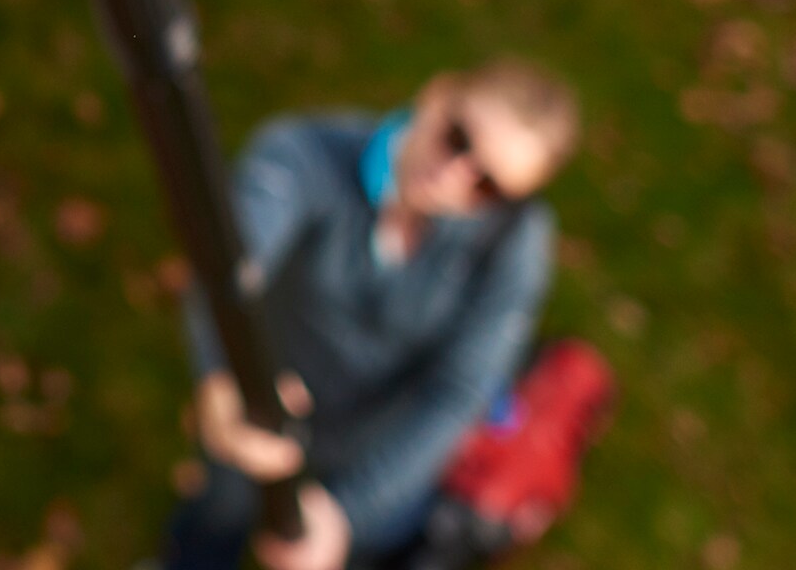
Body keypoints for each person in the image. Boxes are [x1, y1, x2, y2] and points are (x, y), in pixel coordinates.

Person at [162, 61, 580, 570]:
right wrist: (221, 379)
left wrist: (347, 514)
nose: (455, 175)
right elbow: (225, 271)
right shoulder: (304, 154)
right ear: (437, 94)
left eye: (488, 185)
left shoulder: (515, 240)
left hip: (379, 458)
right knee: (213, 523)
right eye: (458, 137)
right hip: (263, 405)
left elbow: (459, 391)